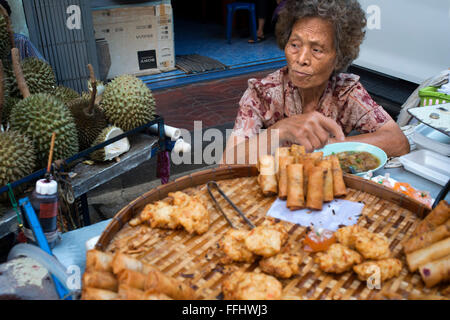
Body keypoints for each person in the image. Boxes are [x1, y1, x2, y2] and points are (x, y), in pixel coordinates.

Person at [224, 0, 410, 164]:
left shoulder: (346, 92)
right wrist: (279, 131)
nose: (301, 59)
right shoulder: (262, 93)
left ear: (338, 58)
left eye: (317, 50)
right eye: (295, 45)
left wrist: (325, 147)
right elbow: (227, 162)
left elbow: (397, 141)